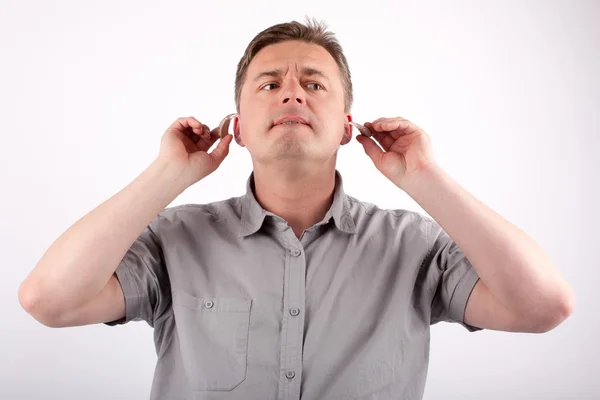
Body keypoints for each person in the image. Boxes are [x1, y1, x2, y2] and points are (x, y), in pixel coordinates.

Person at [18, 18, 575, 400]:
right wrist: (168, 175)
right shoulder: (175, 241)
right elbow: (48, 300)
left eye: (313, 83)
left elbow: (545, 307)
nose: (292, 94)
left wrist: (425, 179)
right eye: (269, 84)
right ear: (236, 126)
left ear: (346, 127)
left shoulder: (413, 246)